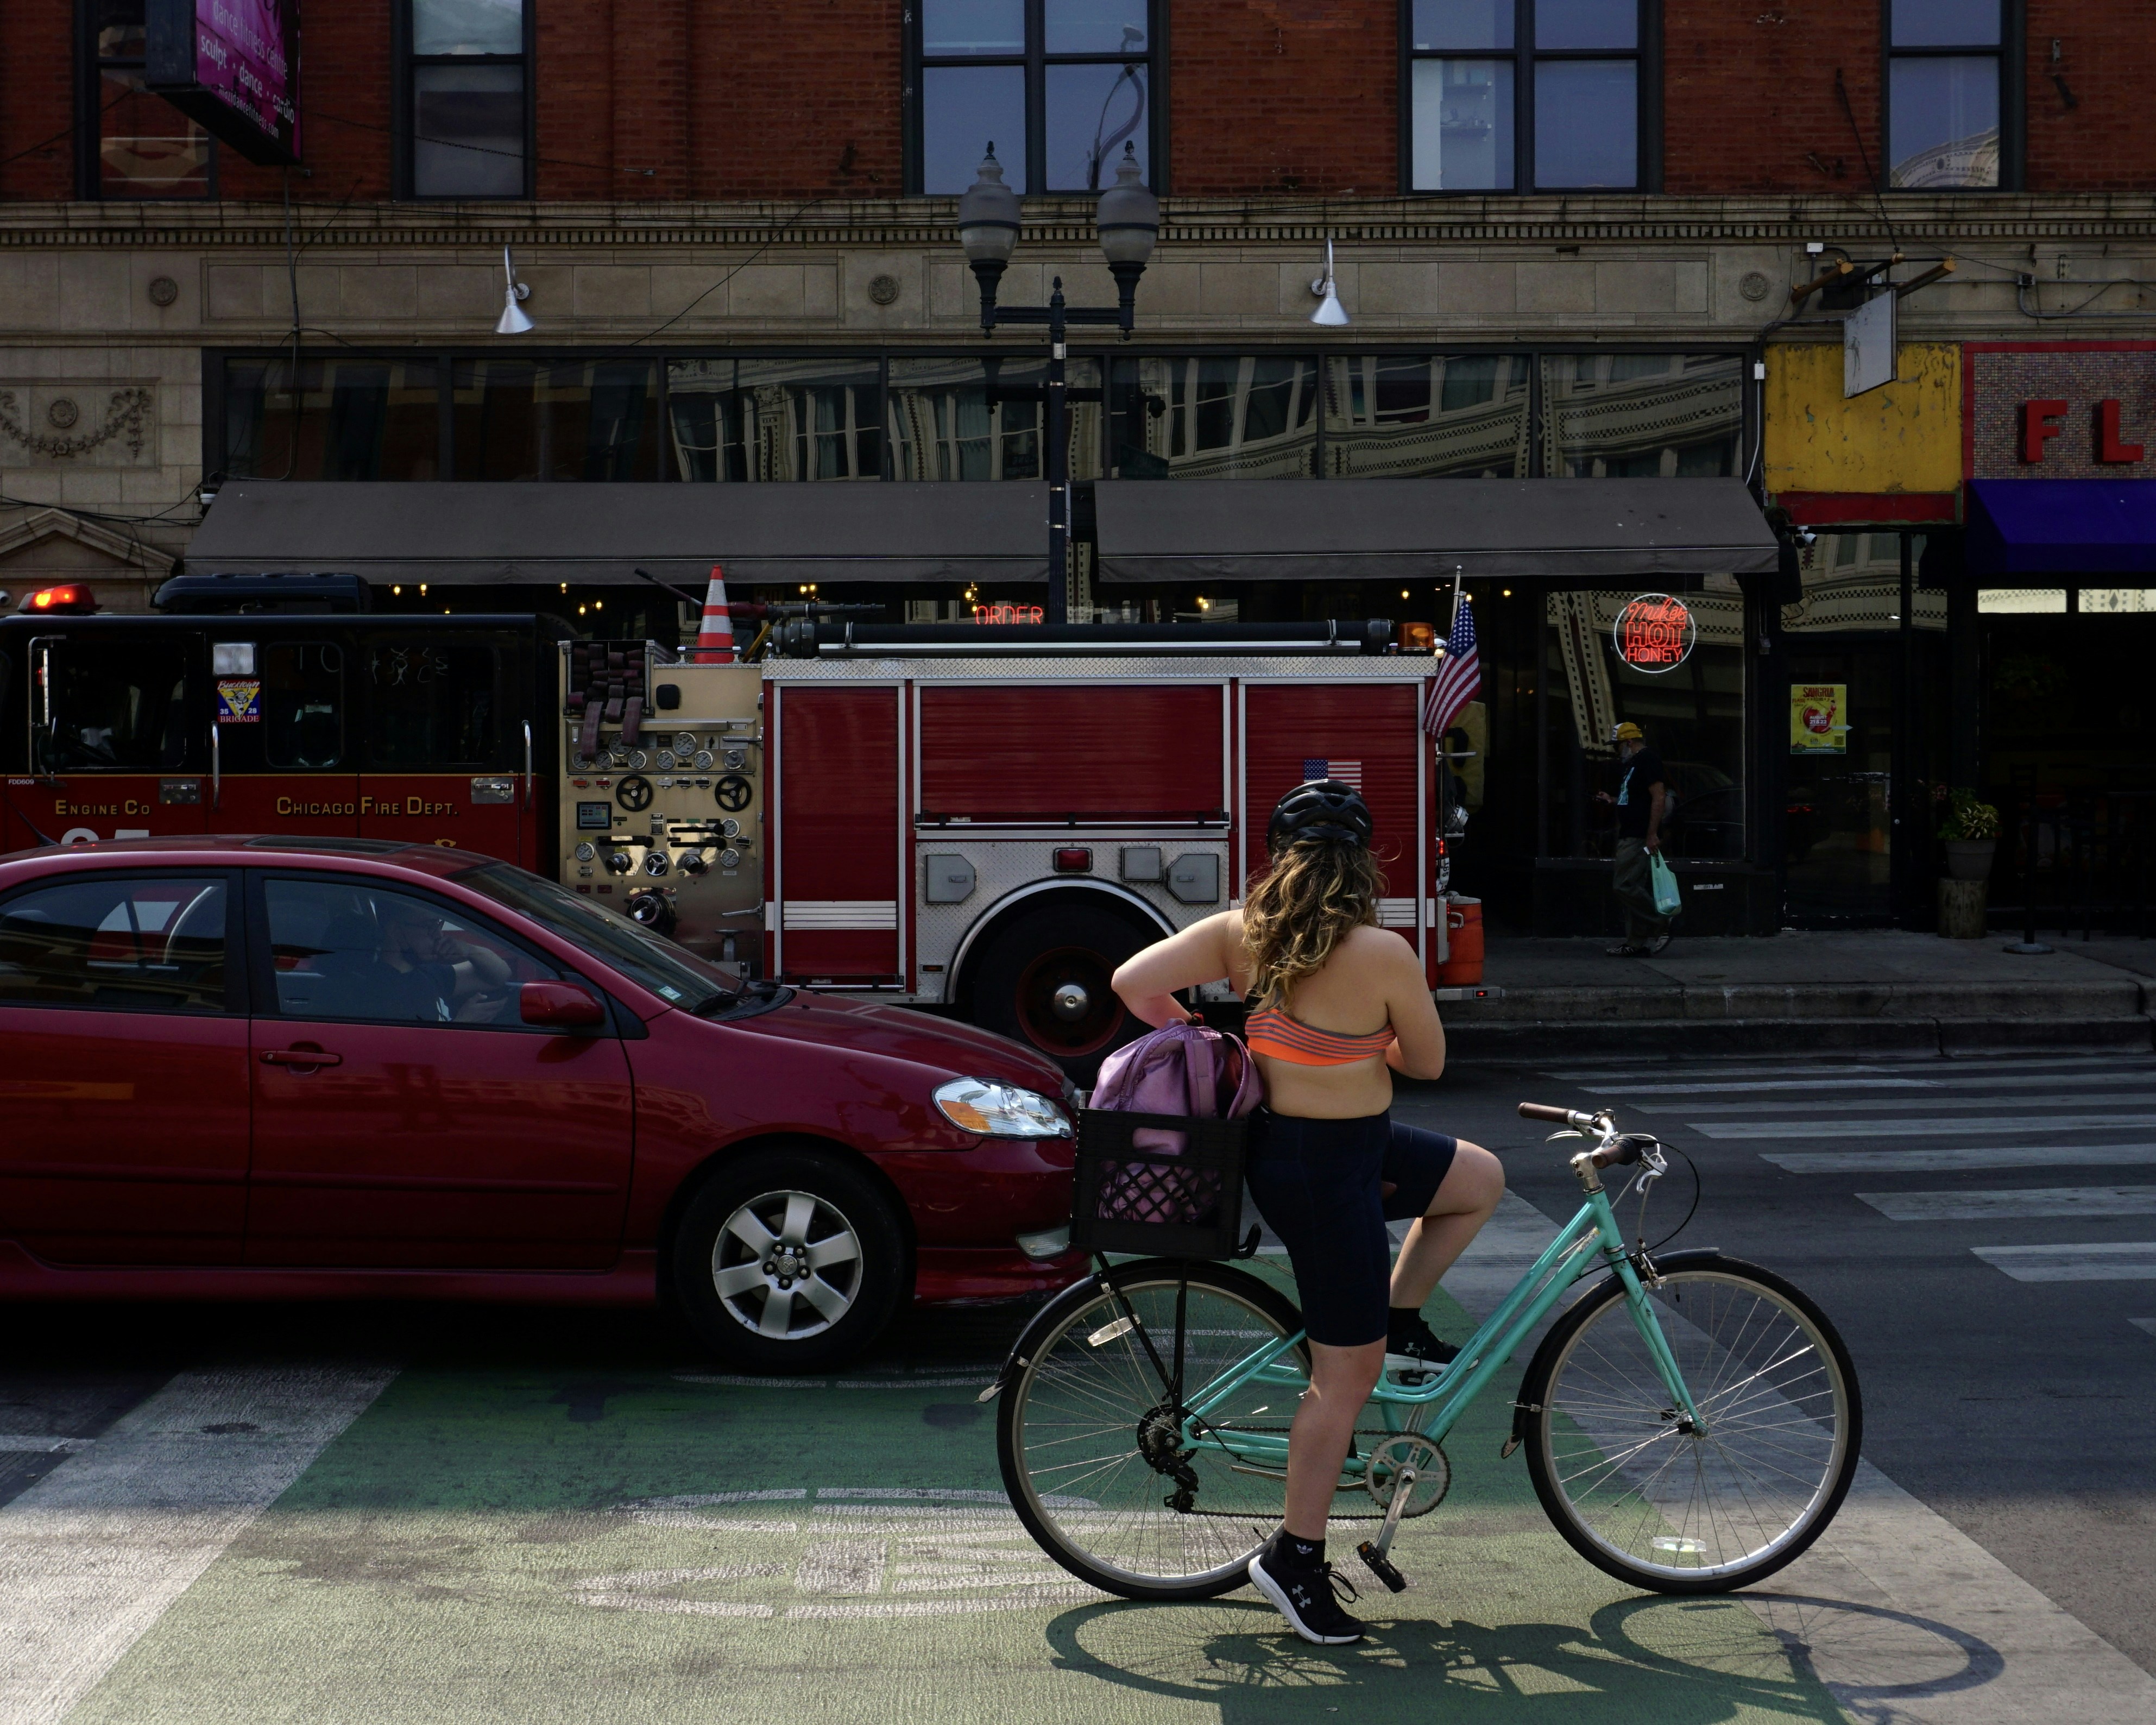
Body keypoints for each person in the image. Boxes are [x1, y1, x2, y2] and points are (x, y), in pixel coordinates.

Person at [1109, 780, 1505, 1647]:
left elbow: (1131, 981)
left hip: (1312, 1151)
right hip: (1328, 1174)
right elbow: (1428, 1062)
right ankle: (1294, 1557)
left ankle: (1399, 1318)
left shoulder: (1239, 932)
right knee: (1342, 1381)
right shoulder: (1384, 951)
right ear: (1362, 864)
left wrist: (1209, 1038)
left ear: (1280, 856)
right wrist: (1366, 1039)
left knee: (1475, 1178)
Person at [1594, 720, 1671, 957]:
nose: (1616, 751)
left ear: (1629, 743)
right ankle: (1635, 942)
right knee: (1633, 886)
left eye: (1617, 746)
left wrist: (1651, 835)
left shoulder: (1647, 760)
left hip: (1638, 835)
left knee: (1624, 885)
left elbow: (1658, 797)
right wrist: (1613, 800)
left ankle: (1661, 922)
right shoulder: (1633, 764)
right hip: (1632, 832)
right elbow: (1635, 799)